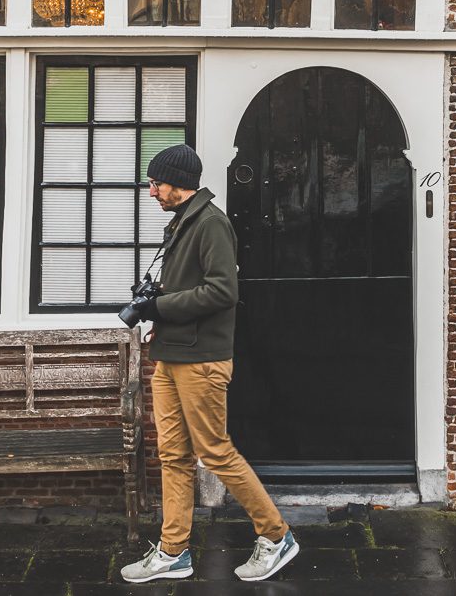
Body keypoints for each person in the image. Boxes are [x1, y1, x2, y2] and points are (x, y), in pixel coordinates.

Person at [120, 142, 299, 585]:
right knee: (173, 456)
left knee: (215, 452)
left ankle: (276, 537)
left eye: (155, 183)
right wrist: (157, 307)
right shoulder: (183, 223)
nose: (151, 192)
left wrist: (160, 307)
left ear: (176, 183)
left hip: (201, 361)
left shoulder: (211, 224)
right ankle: (173, 551)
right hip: (172, 356)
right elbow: (188, 288)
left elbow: (223, 292)